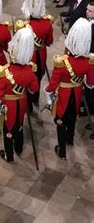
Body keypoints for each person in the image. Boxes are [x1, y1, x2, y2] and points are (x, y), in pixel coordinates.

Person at [45, 18, 94, 159]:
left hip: (63, 95)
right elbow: (90, 83)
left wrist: (48, 95)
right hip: (77, 93)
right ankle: (70, 140)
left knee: (60, 121)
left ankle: (61, 150)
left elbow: (53, 85)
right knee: (73, 118)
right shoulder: (89, 62)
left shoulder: (61, 62)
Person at [0, 27, 39, 163]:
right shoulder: (30, 71)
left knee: (8, 129)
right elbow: (34, 89)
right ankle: (19, 147)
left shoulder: (5, 72)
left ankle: (9, 155)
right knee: (19, 123)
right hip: (22, 102)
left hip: (8, 105)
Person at [16, 0, 54, 107]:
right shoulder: (47, 23)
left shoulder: (24, 26)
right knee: (37, 78)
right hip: (41, 55)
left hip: (29, 55)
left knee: (28, 79)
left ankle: (29, 105)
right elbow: (49, 42)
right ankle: (35, 99)